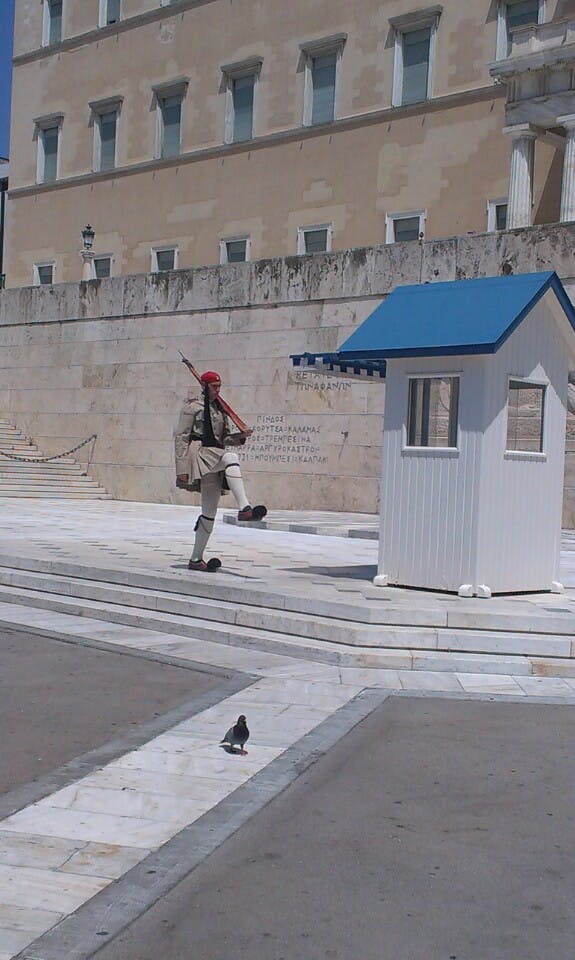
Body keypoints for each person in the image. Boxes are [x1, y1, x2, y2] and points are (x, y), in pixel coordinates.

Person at [174, 370, 267, 571]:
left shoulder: (219, 410)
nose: (217, 390)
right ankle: (244, 509)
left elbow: (223, 438)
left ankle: (196, 559)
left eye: (219, 387)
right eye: (214, 387)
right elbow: (181, 436)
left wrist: (240, 437)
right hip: (199, 454)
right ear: (204, 386)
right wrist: (181, 468)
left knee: (209, 513)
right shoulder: (193, 407)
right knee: (231, 458)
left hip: (214, 456)